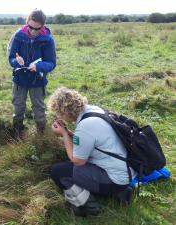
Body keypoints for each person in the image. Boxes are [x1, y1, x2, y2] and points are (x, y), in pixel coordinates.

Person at [48, 87, 133, 216]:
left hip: (115, 179)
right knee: (68, 167)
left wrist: (64, 135)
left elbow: (77, 161)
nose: (58, 116)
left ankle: (88, 208)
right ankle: (121, 192)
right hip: (125, 171)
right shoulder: (93, 110)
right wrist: (68, 132)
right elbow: (87, 140)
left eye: (59, 113)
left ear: (67, 112)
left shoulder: (85, 126)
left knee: (59, 171)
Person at [8, 9, 56, 138]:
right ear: (27, 22)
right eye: (30, 27)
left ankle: (41, 135)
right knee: (18, 107)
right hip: (19, 80)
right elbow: (11, 58)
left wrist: (39, 66)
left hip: (37, 81)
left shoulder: (48, 40)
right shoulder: (18, 36)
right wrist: (16, 61)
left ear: (43, 26)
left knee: (39, 109)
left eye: (37, 29)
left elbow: (51, 63)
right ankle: (18, 132)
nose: (33, 31)